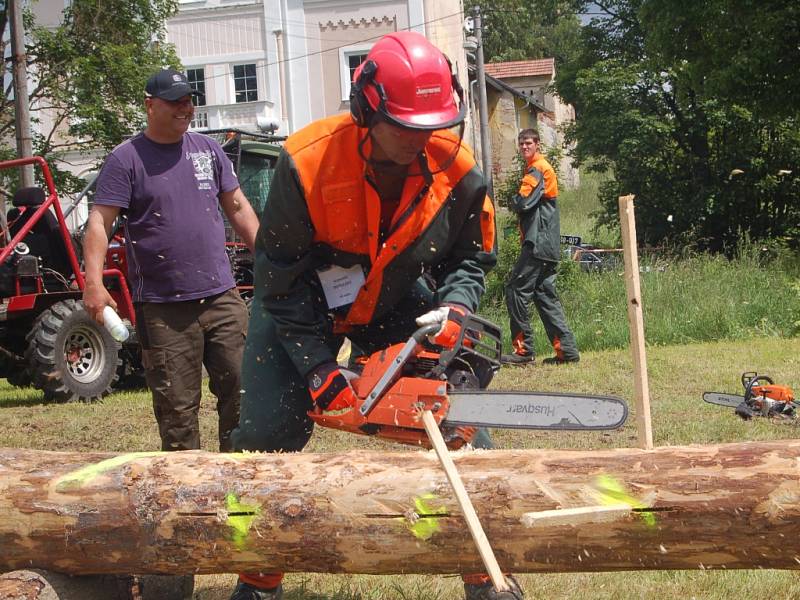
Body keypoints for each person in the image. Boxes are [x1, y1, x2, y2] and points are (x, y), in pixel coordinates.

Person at [229, 31, 523, 600]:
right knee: (266, 434)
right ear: (368, 108)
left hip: (395, 300)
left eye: (431, 125)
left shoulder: (459, 172)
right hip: (302, 302)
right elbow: (278, 276)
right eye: (408, 126)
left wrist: (456, 307)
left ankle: (487, 574)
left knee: (460, 423)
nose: (421, 138)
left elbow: (472, 258)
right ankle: (257, 579)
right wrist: (318, 368)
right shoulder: (307, 161)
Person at [82, 68, 260, 452]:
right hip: (164, 310)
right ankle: (189, 503)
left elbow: (239, 208)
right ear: (150, 105)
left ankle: (242, 487)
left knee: (245, 394)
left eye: (189, 100)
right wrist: (93, 283)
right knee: (177, 413)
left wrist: (271, 258)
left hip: (222, 298)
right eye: (175, 101)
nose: (186, 108)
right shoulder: (126, 159)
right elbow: (99, 222)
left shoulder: (208, 150)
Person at [502, 129, 579, 365]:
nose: (525, 147)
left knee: (515, 290)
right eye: (522, 143)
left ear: (537, 145)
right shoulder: (539, 168)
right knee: (545, 296)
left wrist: (511, 201)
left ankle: (523, 352)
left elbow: (523, 202)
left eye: (529, 143)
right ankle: (567, 352)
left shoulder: (538, 168)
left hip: (537, 243)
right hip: (549, 246)